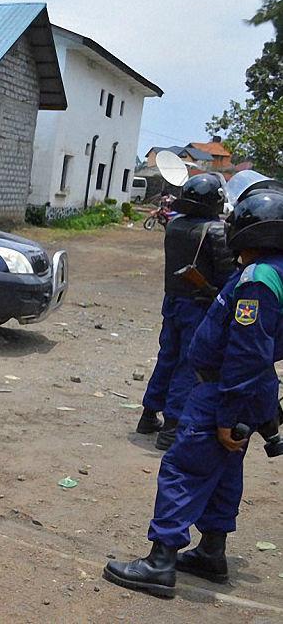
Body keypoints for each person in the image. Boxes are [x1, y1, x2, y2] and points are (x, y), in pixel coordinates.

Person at [104, 188, 283, 597]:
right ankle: (212, 553)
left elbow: (246, 351)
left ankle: (160, 561)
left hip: (222, 389)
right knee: (223, 473)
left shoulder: (259, 280)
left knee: (184, 468)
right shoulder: (270, 270)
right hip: (242, 390)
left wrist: (226, 416)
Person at [137, 173, 234, 450]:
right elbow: (227, 275)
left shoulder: (175, 225)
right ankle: (172, 426)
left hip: (173, 301)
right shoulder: (216, 231)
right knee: (188, 364)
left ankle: (148, 414)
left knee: (167, 356)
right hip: (199, 305)